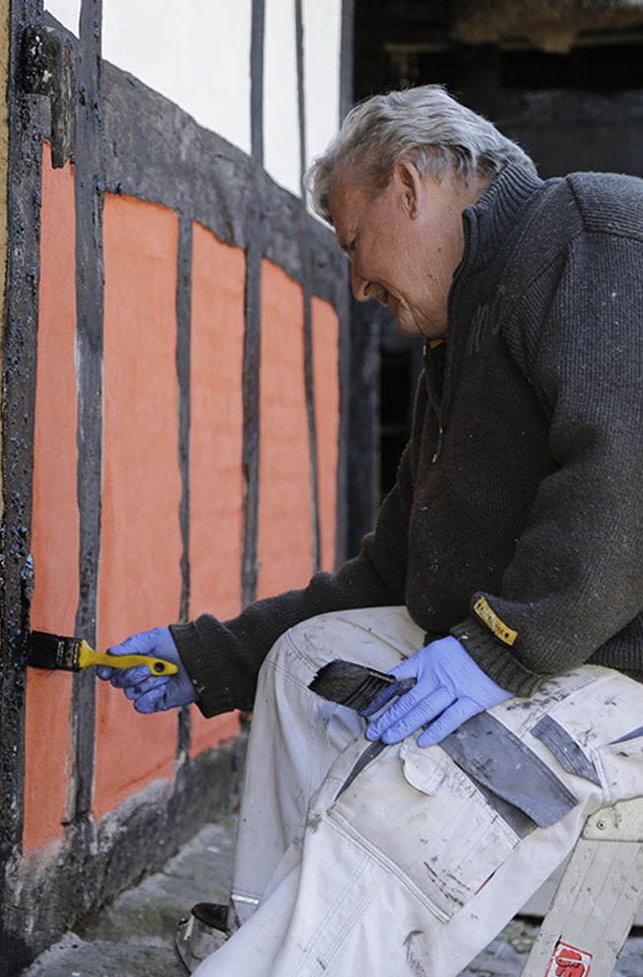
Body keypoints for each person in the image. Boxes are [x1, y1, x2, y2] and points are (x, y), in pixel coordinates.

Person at [97, 85, 643, 976]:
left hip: (623, 664)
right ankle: (275, 929)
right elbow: (392, 572)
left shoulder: (589, 232)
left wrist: (500, 646)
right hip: (558, 647)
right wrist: (210, 652)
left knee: (414, 790)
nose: (355, 283)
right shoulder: (455, 341)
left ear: (409, 185)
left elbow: (631, 479)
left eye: (354, 242)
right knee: (306, 665)